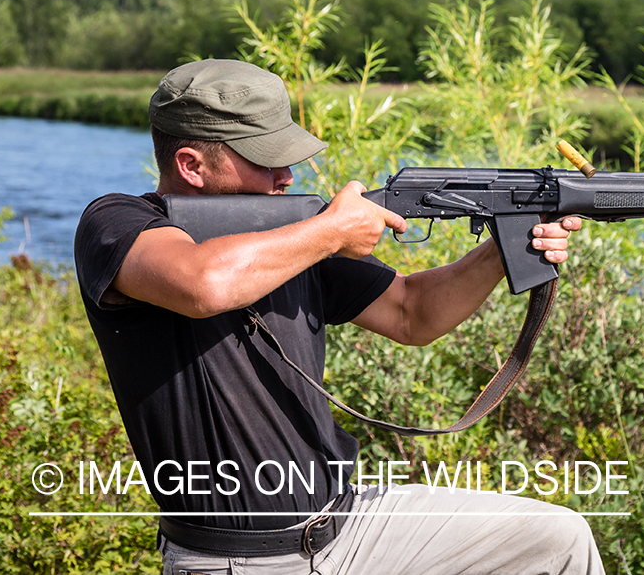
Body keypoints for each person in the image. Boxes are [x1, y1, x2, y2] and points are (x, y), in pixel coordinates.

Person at [74, 59, 604, 574]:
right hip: (238, 558)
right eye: (265, 159)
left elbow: (412, 313)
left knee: (560, 539)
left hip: (347, 522)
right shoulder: (117, 223)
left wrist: (508, 244)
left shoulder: (294, 237)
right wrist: (331, 230)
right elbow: (203, 284)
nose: (286, 174)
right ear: (191, 165)